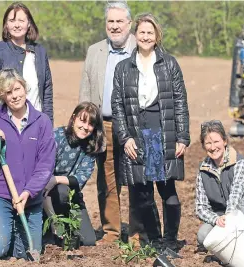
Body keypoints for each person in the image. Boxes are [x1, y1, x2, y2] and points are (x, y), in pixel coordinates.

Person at [111, 13, 190, 251]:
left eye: (150, 33)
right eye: (142, 32)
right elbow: (117, 106)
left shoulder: (169, 64)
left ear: (157, 36)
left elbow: (180, 102)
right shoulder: (123, 68)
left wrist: (182, 137)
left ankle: (170, 241)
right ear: (135, 35)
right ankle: (155, 241)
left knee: (167, 191)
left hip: (161, 133)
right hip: (136, 134)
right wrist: (125, 138)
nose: (145, 37)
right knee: (143, 194)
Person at [0, 69, 56, 260]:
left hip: (30, 199)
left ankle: (6, 228)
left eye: (17, 89)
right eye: (8, 93)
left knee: (26, 253)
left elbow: (45, 165)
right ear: (2, 96)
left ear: (25, 88)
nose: (15, 96)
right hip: (0, 195)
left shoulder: (42, 122)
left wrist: (28, 192)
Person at [79, 1, 136, 244]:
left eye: (119, 21)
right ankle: (111, 231)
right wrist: (86, 123)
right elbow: (85, 90)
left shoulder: (140, 47)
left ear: (129, 24)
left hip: (134, 125)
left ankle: (137, 233)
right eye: (110, 22)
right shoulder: (95, 51)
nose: (114, 26)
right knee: (107, 179)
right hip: (105, 124)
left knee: (136, 178)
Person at [195, 120, 244, 250]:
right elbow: (200, 207)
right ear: (203, 146)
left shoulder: (239, 163)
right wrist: (216, 219)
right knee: (203, 236)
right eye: (208, 143)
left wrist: (228, 219)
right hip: (223, 218)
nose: (213, 147)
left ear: (224, 141)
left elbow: (236, 196)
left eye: (216, 141)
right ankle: (232, 246)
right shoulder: (203, 171)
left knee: (240, 199)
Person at [42, 102, 105, 247]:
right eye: (82, 121)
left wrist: (56, 179)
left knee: (88, 240)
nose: (85, 127)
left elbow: (79, 179)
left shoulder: (91, 146)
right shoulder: (56, 136)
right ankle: (51, 224)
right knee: (62, 191)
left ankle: (65, 226)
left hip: (71, 194)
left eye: (90, 124)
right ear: (74, 118)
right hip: (46, 195)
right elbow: (43, 175)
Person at [0, 2, 53, 122]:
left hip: (36, 122)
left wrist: (48, 123)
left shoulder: (40, 51)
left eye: (21, 20)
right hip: (6, 123)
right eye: (12, 21)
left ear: (29, 23)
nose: (17, 25)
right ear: (6, 25)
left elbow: (47, 91)